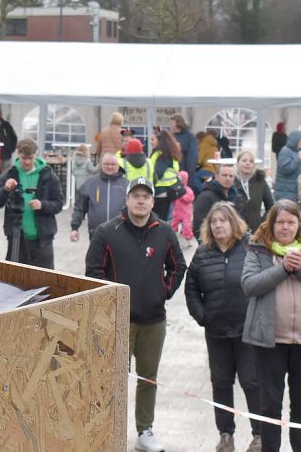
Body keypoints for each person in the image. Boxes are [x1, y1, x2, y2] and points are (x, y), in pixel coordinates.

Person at [86, 177, 187, 452]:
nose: (140, 200)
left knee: (147, 378)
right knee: (113, 379)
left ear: (153, 202)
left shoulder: (164, 232)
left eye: (146, 196)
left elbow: (178, 266)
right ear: (127, 200)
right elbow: (93, 273)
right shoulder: (107, 232)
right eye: (135, 196)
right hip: (118, 322)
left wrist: (163, 292)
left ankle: (145, 431)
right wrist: (111, 306)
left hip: (153, 321)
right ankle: (107, 431)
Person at [241, 200, 301, 452]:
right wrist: (283, 268)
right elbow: (249, 285)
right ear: (271, 224)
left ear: (299, 224)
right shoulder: (258, 249)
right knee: (270, 406)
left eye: (290, 222)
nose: (285, 227)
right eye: (280, 222)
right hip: (269, 342)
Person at [186, 203, 262, 452]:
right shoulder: (202, 253)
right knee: (221, 383)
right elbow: (192, 290)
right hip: (216, 332)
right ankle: (226, 434)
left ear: (233, 223)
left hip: (246, 331)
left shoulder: (250, 247)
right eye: (213, 221)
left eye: (223, 220)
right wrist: (203, 316)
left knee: (251, 382)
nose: (218, 225)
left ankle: (259, 434)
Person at [0, 138, 63, 269]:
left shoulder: (49, 176)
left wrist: (43, 205)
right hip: (16, 239)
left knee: (45, 281)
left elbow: (58, 204)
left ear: (36, 154)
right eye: (24, 158)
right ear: (18, 154)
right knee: (15, 282)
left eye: (31, 158)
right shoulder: (10, 174)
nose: (27, 162)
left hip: (43, 240)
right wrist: (5, 189)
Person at [69, 152, 126, 241]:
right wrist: (74, 228)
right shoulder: (90, 184)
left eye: (113, 164)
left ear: (118, 166)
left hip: (121, 234)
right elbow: (79, 208)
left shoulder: (126, 185)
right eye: (106, 164)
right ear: (101, 165)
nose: (110, 167)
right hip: (96, 234)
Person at [193, 163, 240, 239]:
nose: (228, 178)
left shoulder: (237, 197)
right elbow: (198, 228)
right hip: (212, 246)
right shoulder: (205, 197)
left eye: (231, 176)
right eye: (224, 175)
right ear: (216, 177)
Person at [234, 149, 274, 232]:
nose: (248, 163)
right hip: (234, 230)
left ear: (254, 165)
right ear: (237, 164)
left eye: (251, 161)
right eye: (244, 160)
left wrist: (263, 223)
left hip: (255, 231)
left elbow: (271, 207)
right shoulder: (230, 181)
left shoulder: (260, 181)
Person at [149, 129, 183, 219]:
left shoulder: (161, 156)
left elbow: (157, 173)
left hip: (160, 191)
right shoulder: (169, 153)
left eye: (153, 139)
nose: (150, 142)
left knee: (157, 220)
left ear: (160, 141)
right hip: (167, 190)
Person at [274, 130, 301, 202]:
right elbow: (285, 169)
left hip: (292, 192)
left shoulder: (295, 152)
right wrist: (299, 160)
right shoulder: (285, 152)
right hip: (285, 194)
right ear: (296, 140)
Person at [171, 114, 199, 194]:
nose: (171, 125)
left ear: (178, 123)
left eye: (172, 123)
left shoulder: (190, 137)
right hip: (172, 170)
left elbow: (192, 158)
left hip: (184, 170)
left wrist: (189, 177)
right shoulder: (172, 136)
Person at [170, 171, 197, 245]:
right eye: (179, 178)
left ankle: (188, 240)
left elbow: (190, 198)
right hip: (177, 212)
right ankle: (171, 238)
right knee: (173, 226)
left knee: (187, 227)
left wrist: (181, 196)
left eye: (182, 178)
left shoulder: (187, 190)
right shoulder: (177, 188)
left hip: (185, 213)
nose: (180, 180)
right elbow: (173, 199)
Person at [0, 105, 18, 173]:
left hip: (7, 154)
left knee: (6, 174)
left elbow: (14, 137)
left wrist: (12, 149)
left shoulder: (7, 125)